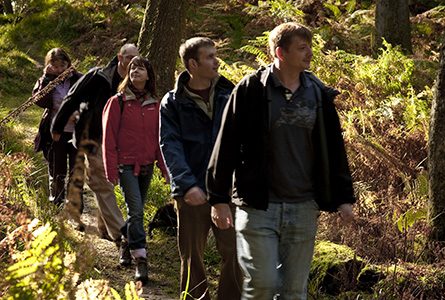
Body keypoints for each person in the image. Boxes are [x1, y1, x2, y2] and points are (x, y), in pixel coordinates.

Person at [206, 22, 356, 300]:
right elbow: (225, 143)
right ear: (280, 52)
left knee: (293, 292)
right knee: (262, 285)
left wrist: (344, 198)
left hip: (303, 206)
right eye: (302, 48)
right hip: (258, 206)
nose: (309, 52)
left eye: (309, 46)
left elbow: (334, 149)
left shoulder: (319, 94)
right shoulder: (251, 89)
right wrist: (217, 198)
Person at [160, 37, 242, 300]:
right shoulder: (172, 102)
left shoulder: (230, 95)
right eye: (210, 56)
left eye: (215, 55)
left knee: (236, 252)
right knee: (192, 255)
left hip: (227, 190)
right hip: (191, 190)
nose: (216, 61)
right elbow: (169, 145)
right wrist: (187, 185)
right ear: (193, 64)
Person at [51, 43, 139, 259]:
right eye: (128, 58)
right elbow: (72, 97)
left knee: (106, 183)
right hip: (93, 137)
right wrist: (58, 125)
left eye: (136, 59)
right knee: (100, 181)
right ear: (119, 57)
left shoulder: (134, 83)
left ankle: (103, 227)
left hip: (118, 141)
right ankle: (122, 235)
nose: (132, 63)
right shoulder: (98, 76)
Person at [102, 56, 167, 284]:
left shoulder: (156, 105)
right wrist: (111, 169)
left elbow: (159, 140)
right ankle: (141, 258)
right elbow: (108, 139)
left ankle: (126, 241)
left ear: (149, 75)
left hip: (147, 165)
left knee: (135, 212)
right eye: (132, 68)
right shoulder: (117, 102)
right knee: (137, 210)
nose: (135, 71)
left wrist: (164, 168)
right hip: (125, 165)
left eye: (140, 68)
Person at [33, 48, 82, 206]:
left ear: (68, 63)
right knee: (57, 169)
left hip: (77, 132)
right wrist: (48, 78)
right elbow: (39, 101)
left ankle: (74, 205)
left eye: (63, 65)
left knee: (76, 170)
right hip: (55, 132)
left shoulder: (79, 79)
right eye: (55, 66)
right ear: (49, 66)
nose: (60, 69)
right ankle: (57, 202)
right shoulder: (46, 81)